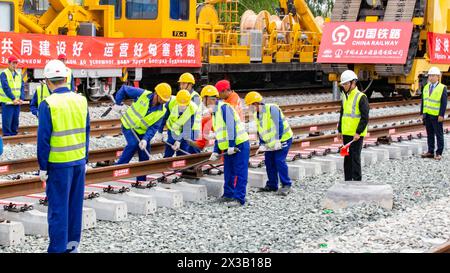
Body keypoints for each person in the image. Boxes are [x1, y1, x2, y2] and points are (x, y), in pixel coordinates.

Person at [37, 59, 90, 253]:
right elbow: (86, 131)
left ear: (48, 81)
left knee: (59, 210)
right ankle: (72, 247)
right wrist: (85, 160)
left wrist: (43, 168)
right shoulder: (81, 100)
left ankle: (58, 250)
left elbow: (43, 140)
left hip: (58, 165)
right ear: (66, 78)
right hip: (78, 162)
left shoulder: (48, 104)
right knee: (74, 208)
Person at [202, 85, 250, 207]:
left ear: (210, 98)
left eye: (204, 99)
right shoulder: (215, 112)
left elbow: (231, 127)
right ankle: (228, 195)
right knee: (229, 171)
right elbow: (220, 133)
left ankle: (239, 199)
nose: (203, 103)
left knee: (240, 172)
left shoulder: (224, 108)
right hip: (229, 146)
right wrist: (216, 151)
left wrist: (232, 145)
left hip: (239, 145)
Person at [113, 83, 171, 183]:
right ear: (156, 94)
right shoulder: (143, 94)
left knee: (144, 153)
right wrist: (117, 103)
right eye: (162, 99)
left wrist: (145, 139)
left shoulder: (162, 110)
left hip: (142, 132)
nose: (163, 102)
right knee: (133, 144)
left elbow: (153, 128)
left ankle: (141, 181)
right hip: (128, 126)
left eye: (165, 100)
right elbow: (124, 89)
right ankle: (117, 169)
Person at [244, 91, 293, 196]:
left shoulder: (272, 109)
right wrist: (262, 144)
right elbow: (261, 131)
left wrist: (277, 140)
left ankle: (286, 185)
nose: (249, 108)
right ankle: (272, 185)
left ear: (256, 104)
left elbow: (278, 125)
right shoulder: (256, 115)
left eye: (250, 105)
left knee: (279, 161)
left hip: (283, 139)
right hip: (270, 142)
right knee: (269, 162)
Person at [336, 70, 369, 181]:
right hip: (346, 133)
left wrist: (358, 132)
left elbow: (365, 117)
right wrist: (340, 129)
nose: (344, 86)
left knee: (355, 158)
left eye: (346, 84)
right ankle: (348, 181)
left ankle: (357, 182)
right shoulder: (345, 96)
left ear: (353, 83)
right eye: (343, 84)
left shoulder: (361, 97)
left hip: (356, 135)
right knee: (347, 158)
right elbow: (343, 113)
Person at [159, 89, 201, 157]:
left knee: (184, 148)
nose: (182, 107)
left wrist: (179, 141)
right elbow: (164, 118)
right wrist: (159, 132)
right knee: (171, 143)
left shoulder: (192, 109)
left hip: (185, 130)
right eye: (180, 104)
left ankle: (181, 164)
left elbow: (187, 128)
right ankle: (166, 161)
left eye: (184, 105)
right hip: (172, 128)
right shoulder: (171, 103)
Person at [420, 67, 448, 160]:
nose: (431, 77)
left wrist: (441, 115)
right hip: (427, 115)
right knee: (430, 134)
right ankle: (430, 151)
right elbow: (424, 101)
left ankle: (439, 152)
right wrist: (422, 113)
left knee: (439, 134)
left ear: (438, 77)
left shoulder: (442, 88)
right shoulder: (426, 87)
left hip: (436, 116)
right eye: (429, 76)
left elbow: (444, 103)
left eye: (433, 76)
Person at [0, 56, 25, 136]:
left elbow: (22, 87)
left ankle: (14, 134)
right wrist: (13, 98)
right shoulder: (4, 74)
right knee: (7, 120)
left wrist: (22, 98)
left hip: (16, 102)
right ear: (8, 64)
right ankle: (7, 135)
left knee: (15, 119)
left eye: (16, 63)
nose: (14, 65)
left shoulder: (18, 74)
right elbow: (5, 87)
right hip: (7, 101)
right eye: (12, 63)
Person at [178, 73, 202, 144]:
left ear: (190, 84)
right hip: (186, 127)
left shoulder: (195, 97)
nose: (181, 86)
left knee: (193, 151)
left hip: (194, 129)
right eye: (180, 84)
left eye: (183, 83)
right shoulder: (182, 95)